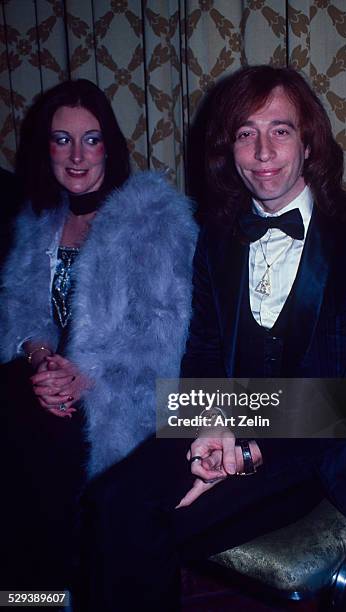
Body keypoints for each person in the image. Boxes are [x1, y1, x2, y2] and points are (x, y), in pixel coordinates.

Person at [75, 66, 346, 611]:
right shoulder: (216, 237)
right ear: (229, 150)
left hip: (321, 448)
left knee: (137, 522)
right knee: (108, 499)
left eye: (281, 130)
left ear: (309, 144)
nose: (263, 150)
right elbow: (202, 351)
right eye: (245, 133)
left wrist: (247, 453)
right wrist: (211, 425)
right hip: (226, 414)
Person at [0, 79, 196, 590]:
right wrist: (41, 357)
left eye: (91, 138)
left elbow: (164, 338)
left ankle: (54, 591)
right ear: (46, 149)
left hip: (123, 396)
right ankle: (28, 597)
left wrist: (83, 376)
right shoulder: (40, 218)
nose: (77, 155)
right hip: (51, 381)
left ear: (110, 143)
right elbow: (19, 306)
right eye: (61, 139)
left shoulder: (153, 217)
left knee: (43, 452)